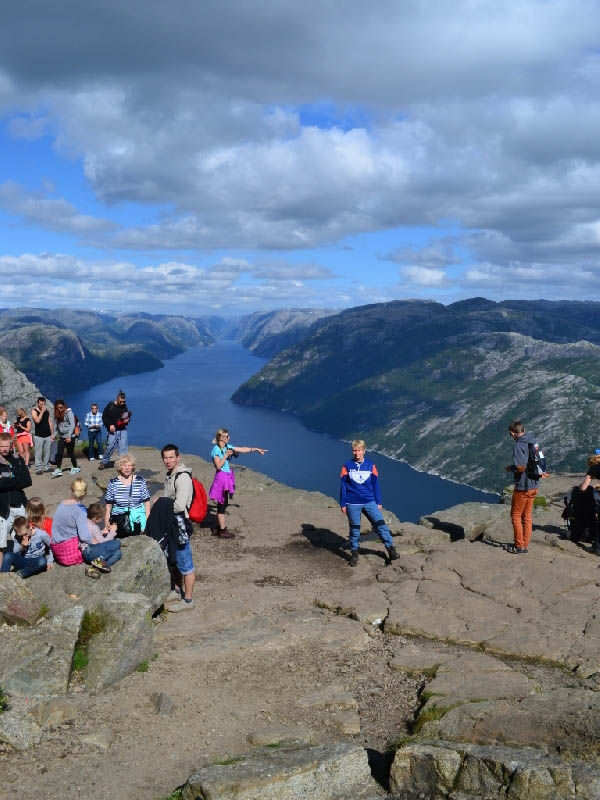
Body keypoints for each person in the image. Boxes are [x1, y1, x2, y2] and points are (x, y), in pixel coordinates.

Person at [340, 439, 398, 567]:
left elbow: (375, 485)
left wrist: (378, 501)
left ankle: (391, 550)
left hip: (369, 501)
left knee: (381, 525)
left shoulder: (371, 466)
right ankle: (354, 554)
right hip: (352, 502)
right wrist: (343, 504)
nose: (356, 453)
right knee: (355, 529)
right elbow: (343, 486)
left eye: (359, 450)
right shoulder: (347, 466)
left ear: (364, 451)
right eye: (354, 450)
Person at [51, 478, 121, 577]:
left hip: (58, 549)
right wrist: (97, 539)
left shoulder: (62, 504)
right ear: (85, 492)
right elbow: (85, 537)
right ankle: (98, 562)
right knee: (116, 543)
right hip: (72, 550)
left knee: (118, 553)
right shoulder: (80, 510)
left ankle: (94, 568)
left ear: (71, 489)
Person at [209, 428, 267, 538]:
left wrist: (255, 449)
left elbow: (241, 449)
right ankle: (222, 531)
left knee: (223, 503)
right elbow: (218, 466)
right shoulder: (216, 450)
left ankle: (219, 528)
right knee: (222, 505)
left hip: (226, 477)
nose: (229, 438)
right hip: (221, 478)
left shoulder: (227, 446)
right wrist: (226, 455)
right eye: (227, 436)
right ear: (221, 438)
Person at [161, 443, 196, 612]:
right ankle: (176, 589)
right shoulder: (170, 475)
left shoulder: (182, 477)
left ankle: (188, 601)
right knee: (173, 559)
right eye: (165, 458)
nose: (168, 461)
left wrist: (160, 506)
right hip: (171, 522)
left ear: (178, 458)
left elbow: (180, 505)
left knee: (185, 561)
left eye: (171, 457)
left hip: (180, 523)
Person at [505, 420, 539, 554]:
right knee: (527, 516)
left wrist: (513, 468)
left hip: (523, 486)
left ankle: (519, 546)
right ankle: (524, 545)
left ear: (512, 433)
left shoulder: (519, 445)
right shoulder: (533, 441)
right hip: (534, 484)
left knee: (516, 515)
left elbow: (521, 467)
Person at [0, 431, 32, 569]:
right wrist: (16, 480)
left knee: (21, 537)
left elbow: (28, 481)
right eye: (2, 446)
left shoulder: (18, 459)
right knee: (0, 543)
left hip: (19, 505)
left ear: (11, 445)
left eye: (7, 446)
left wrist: (8, 481)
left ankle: (20, 563)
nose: (5, 449)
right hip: (3, 509)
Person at [103, 453, 151, 534]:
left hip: (138, 518)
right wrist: (106, 526)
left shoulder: (140, 480)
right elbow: (108, 507)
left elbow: (147, 503)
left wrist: (147, 521)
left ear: (133, 467)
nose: (127, 468)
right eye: (124, 465)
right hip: (119, 519)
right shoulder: (113, 483)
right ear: (119, 467)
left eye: (129, 465)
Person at [98, 390, 131, 470]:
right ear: (117, 399)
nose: (122, 403)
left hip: (122, 429)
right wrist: (109, 425)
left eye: (124, 402)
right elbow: (104, 417)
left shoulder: (124, 406)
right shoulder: (110, 406)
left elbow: (125, 416)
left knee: (123, 448)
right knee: (110, 447)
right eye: (121, 402)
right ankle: (104, 462)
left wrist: (127, 420)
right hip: (113, 430)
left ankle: (122, 464)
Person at [52, 399, 80, 478]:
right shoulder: (58, 414)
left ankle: (75, 467)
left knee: (70, 453)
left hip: (70, 436)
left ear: (64, 406)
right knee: (59, 453)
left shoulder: (69, 413)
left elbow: (72, 425)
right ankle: (58, 469)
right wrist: (54, 435)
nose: (60, 409)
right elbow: (58, 428)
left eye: (61, 407)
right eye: (58, 408)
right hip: (62, 436)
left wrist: (69, 436)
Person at [31, 397, 54, 474]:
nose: (42, 405)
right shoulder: (34, 411)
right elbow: (37, 421)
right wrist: (42, 412)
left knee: (47, 452)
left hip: (47, 435)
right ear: (38, 403)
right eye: (41, 404)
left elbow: (50, 422)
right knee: (38, 452)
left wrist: (52, 433)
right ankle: (38, 468)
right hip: (39, 436)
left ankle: (47, 467)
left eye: (43, 404)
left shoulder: (47, 411)